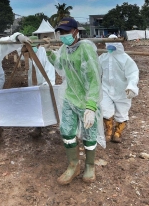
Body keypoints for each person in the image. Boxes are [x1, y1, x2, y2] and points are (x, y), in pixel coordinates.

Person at [43, 17, 104, 184]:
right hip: (70, 98)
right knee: (67, 132)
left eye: (66, 32)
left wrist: (91, 107)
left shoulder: (85, 49)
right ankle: (73, 165)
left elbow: (94, 79)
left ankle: (90, 165)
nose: (63, 36)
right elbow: (60, 65)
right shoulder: (64, 48)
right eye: (61, 33)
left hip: (86, 101)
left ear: (76, 32)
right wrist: (49, 51)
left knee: (89, 134)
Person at [99, 42, 139, 144]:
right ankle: (108, 131)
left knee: (122, 112)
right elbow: (95, 70)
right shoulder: (103, 57)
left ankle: (117, 133)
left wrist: (131, 86)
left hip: (122, 90)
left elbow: (133, 73)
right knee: (105, 109)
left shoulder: (125, 59)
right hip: (106, 89)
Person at [25, 36, 57, 138]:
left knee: (47, 107)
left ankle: (55, 125)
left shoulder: (43, 53)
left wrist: (45, 87)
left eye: (34, 46)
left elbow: (50, 71)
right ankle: (37, 128)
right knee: (35, 107)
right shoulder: (29, 54)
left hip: (44, 85)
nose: (32, 48)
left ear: (39, 45)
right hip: (34, 85)